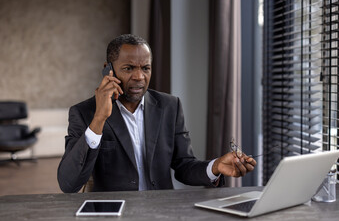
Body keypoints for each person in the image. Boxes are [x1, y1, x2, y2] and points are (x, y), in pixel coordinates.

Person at [57, 34, 256, 193]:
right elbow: (69, 184)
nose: (139, 77)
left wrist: (216, 166)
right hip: (113, 217)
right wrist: (99, 119)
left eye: (146, 68)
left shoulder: (170, 106)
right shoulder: (83, 113)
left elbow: (184, 166)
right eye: (128, 68)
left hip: (161, 215)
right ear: (108, 70)